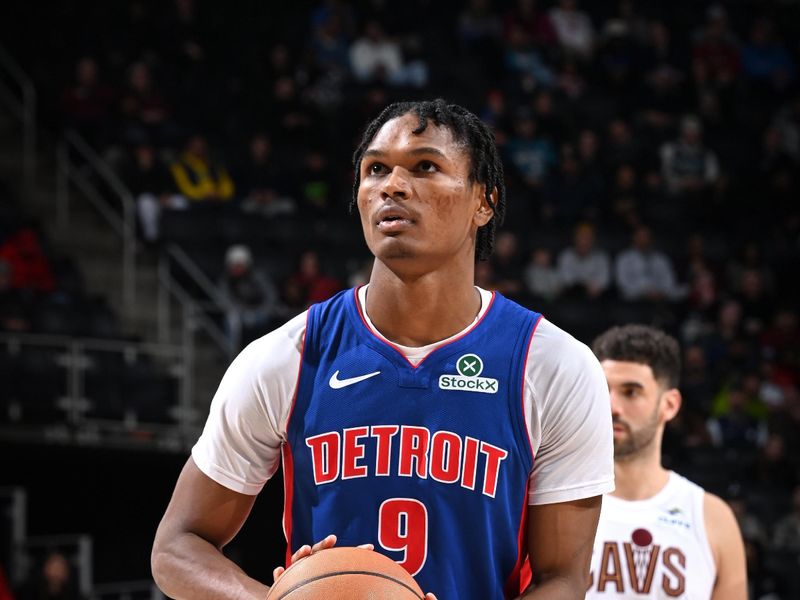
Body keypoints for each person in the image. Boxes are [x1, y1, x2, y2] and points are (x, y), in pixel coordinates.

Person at [151, 99, 614, 600]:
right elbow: (177, 546)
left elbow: (562, 578)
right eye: (375, 169)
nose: (392, 185)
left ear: (484, 201)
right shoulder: (287, 355)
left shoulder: (554, 366)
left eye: (425, 167)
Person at [587, 324, 747, 598]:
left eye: (631, 392)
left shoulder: (711, 517)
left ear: (669, 405)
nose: (611, 406)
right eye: (603, 389)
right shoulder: (558, 504)